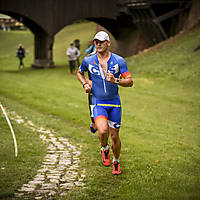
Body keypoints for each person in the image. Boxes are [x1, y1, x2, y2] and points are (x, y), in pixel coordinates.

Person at [77, 31, 133, 175]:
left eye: (101, 41)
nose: (99, 44)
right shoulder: (88, 60)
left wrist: (116, 80)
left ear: (108, 43)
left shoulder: (119, 60)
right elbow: (79, 73)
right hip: (98, 102)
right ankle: (104, 148)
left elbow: (130, 81)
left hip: (114, 103)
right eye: (96, 42)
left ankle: (116, 161)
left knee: (115, 136)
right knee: (102, 131)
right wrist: (85, 84)